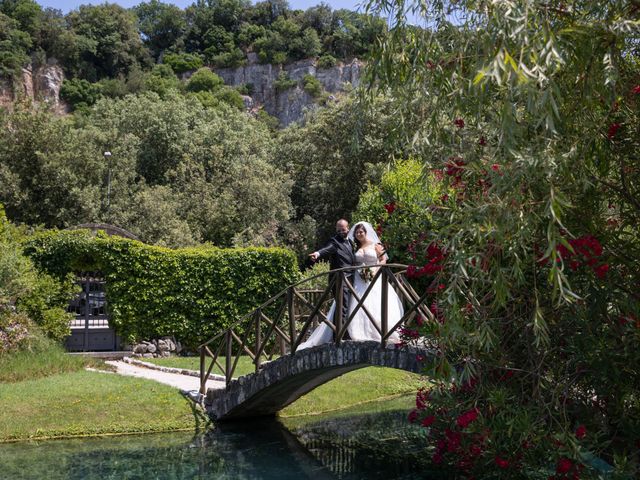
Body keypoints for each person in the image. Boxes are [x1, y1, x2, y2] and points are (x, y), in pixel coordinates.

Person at [298, 221, 402, 350]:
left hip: (374, 278)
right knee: (354, 306)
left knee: (374, 305)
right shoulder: (354, 246)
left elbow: (383, 259)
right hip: (356, 280)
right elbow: (330, 249)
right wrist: (318, 253)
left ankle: (380, 332)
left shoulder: (375, 245)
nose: (359, 234)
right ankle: (347, 334)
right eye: (357, 232)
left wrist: (375, 270)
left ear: (365, 232)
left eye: (361, 232)